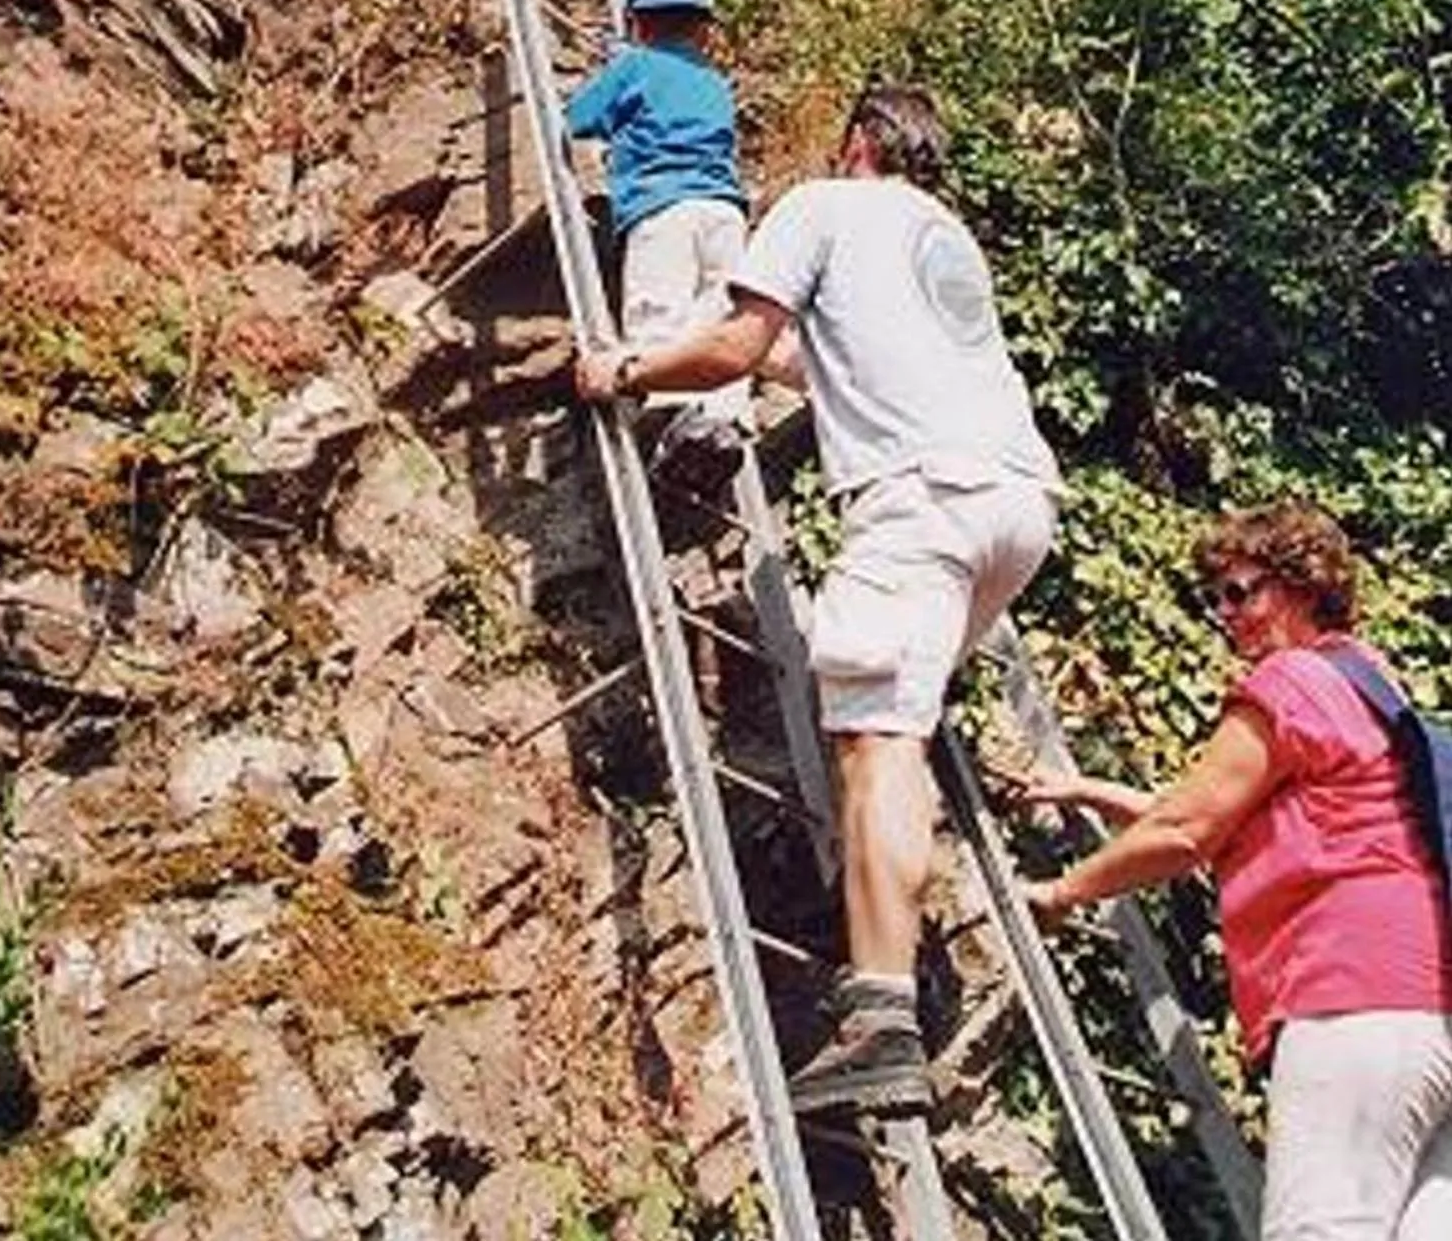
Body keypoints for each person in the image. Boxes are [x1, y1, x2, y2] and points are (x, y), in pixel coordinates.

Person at [577, 80, 1060, 1117]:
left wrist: (629, 363)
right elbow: (819, 363)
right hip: (1016, 509)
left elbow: (736, 349)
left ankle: (879, 1010)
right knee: (901, 723)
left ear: (855, 144)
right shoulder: (943, 238)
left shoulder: (820, 205)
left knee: (879, 741)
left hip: (919, 504)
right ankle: (891, 926)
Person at [1019, 502, 1452, 1241]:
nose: (1224, 612)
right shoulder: (1370, 689)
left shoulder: (1292, 680)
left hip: (1350, 996)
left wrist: (1063, 891)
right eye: (1212, 596)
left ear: (1302, 584)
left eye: (1241, 590)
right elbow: (1225, 815)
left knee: (1320, 1227)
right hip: (1429, 1011)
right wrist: (1085, 789)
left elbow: (1188, 828)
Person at [564, 0, 753, 498]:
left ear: (639, 26)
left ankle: (667, 409)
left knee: (658, 310)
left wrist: (609, 77)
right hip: (724, 212)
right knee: (719, 318)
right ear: (701, 30)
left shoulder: (636, 66)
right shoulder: (715, 82)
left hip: (662, 208)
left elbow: (578, 118)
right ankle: (722, 421)